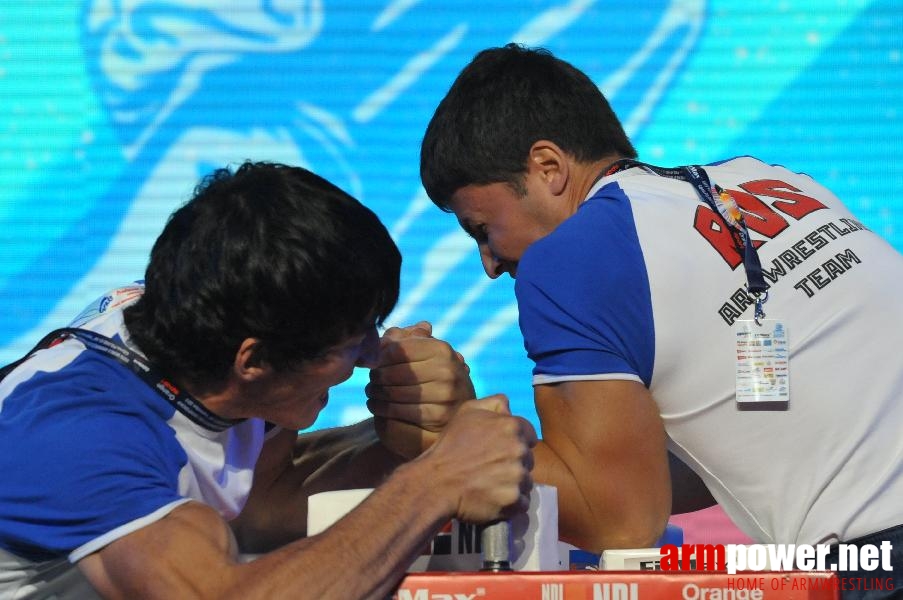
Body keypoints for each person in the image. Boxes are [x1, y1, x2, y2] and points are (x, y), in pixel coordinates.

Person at [377, 43, 903, 593]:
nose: (489, 264)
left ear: (548, 167)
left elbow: (623, 525)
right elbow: (737, 441)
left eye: (481, 229)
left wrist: (450, 437)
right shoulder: (766, 180)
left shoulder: (569, 258)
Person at [0, 161, 536, 599]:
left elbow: (259, 499)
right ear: (252, 361)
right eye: (352, 342)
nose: (374, 355)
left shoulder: (197, 323)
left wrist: (399, 435)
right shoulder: (87, 440)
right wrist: (433, 482)